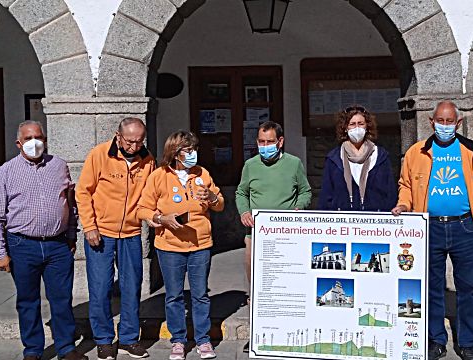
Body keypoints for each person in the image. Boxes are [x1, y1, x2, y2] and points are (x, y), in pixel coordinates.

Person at [391, 101, 473, 360]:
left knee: (468, 288)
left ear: (458, 123)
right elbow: (405, 184)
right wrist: (404, 204)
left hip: (463, 227)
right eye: (441, 120)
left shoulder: (472, 151)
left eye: (450, 121)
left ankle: (467, 343)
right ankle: (437, 340)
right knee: (431, 287)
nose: (445, 126)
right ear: (431, 122)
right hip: (430, 226)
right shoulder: (417, 152)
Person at [0, 121, 86, 360]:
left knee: (61, 299)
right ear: (18, 143)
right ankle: (33, 350)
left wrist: (71, 234)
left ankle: (66, 348)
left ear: (46, 140)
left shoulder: (59, 166)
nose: (34, 142)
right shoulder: (4, 173)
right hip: (22, 245)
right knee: (28, 301)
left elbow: (70, 204)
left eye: (38, 137)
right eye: (28, 138)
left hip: (57, 245)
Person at [137, 131, 223, 360]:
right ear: (175, 153)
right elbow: (143, 209)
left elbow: (220, 204)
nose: (193, 154)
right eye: (188, 150)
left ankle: (203, 341)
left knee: (200, 295)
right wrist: (160, 219)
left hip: (200, 245)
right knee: (173, 296)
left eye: (194, 149)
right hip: (169, 246)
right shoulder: (159, 176)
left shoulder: (202, 173)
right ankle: (178, 341)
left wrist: (213, 198)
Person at [75, 118, 155, 360]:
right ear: (118, 136)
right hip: (101, 232)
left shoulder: (148, 159)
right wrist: (89, 226)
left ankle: (129, 339)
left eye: (139, 141)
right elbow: (83, 192)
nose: (134, 146)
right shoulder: (99, 154)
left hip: (131, 233)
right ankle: (103, 340)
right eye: (130, 141)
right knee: (100, 288)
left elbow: (149, 195)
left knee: (132, 287)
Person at [235, 121, 312, 352]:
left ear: (280, 142)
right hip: (256, 235)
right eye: (261, 142)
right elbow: (242, 192)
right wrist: (244, 211)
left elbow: (305, 191)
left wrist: (299, 208)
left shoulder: (294, 164)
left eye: (270, 142)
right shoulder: (250, 165)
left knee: (286, 287)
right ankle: (257, 335)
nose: (265, 146)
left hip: (286, 236)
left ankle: (287, 335)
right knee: (258, 289)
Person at [318, 105, 397, 211]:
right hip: (342, 221)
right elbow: (326, 195)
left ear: (367, 126)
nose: (357, 128)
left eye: (361, 124)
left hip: (375, 221)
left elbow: (390, 192)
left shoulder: (380, 156)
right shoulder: (334, 158)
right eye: (352, 124)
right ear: (345, 128)